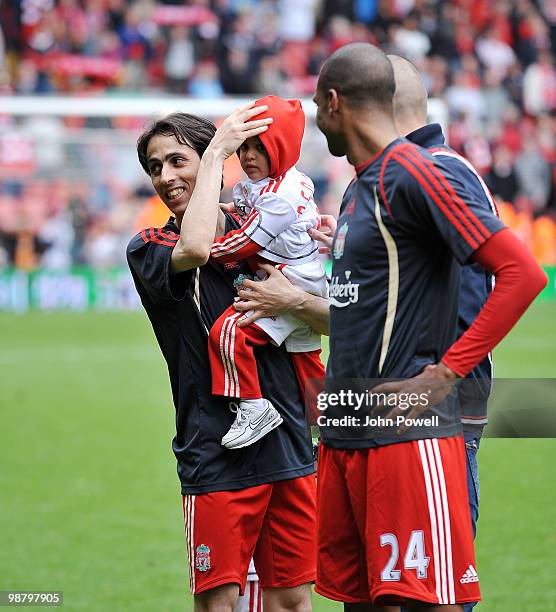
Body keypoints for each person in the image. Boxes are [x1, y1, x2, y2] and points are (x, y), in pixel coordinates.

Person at [310, 43, 546, 611]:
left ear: (333, 103)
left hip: (407, 438)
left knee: (424, 603)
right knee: (361, 601)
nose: (317, 124)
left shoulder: (416, 172)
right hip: (348, 432)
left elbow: (521, 274)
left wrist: (442, 376)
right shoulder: (361, 186)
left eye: (317, 109)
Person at [127, 105, 317, 612]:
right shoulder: (150, 246)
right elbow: (196, 246)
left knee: (294, 600)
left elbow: (336, 317)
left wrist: (297, 298)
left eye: (177, 161)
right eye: (154, 167)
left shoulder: (261, 224)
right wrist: (214, 153)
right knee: (219, 605)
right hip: (214, 447)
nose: (165, 177)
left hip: (287, 438)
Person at [388, 54, 495, 612]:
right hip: (407, 408)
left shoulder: (440, 169)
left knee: (442, 585)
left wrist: (438, 380)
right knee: (409, 580)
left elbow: (473, 297)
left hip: (439, 410)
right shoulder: (413, 169)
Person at [207, 95, 327, 450]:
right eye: (243, 147)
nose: (249, 156)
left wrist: (204, 250)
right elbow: (249, 211)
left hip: (289, 280)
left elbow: (243, 242)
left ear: (282, 147)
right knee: (307, 365)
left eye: (260, 148)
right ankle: (332, 437)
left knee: (227, 333)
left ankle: (253, 406)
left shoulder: (280, 197)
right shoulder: (286, 181)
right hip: (302, 275)